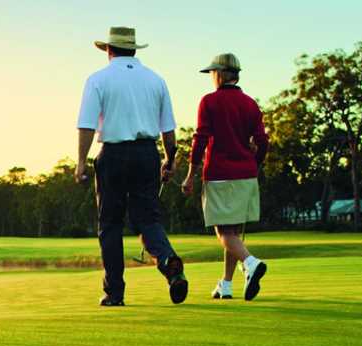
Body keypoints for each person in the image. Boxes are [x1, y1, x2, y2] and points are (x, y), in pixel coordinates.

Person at [76, 26, 187, 307]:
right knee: (147, 219)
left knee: (111, 224)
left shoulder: (98, 79)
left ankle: (115, 293)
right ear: (134, 49)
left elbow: (87, 124)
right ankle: (166, 260)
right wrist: (169, 160)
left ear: (109, 50)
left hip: (113, 155)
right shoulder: (156, 80)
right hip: (147, 154)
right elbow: (168, 130)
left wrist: (80, 162)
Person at [182, 53, 269, 301]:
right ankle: (227, 285)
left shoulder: (209, 101)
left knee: (224, 233)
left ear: (219, 73)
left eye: (212, 73)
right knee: (234, 231)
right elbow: (262, 141)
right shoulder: (250, 103)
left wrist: (190, 175)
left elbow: (200, 139)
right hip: (245, 174)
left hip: (219, 174)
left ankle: (250, 263)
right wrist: (256, 163)